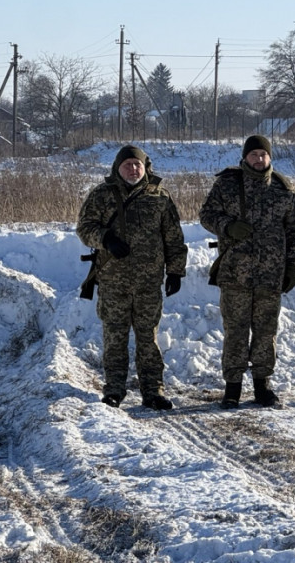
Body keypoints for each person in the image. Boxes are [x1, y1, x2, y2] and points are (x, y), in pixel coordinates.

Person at [77, 145, 188, 410]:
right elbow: (84, 227)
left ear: (145, 167)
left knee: (148, 338)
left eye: (137, 165)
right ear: (118, 167)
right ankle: (114, 389)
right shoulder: (102, 195)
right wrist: (106, 239)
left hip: (149, 283)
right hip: (113, 280)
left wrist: (175, 271)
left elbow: (174, 237)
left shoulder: (159, 196)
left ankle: (153, 391)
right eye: (127, 165)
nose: (133, 169)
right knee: (115, 337)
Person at [200, 135, 295, 409]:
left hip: (271, 275)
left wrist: (293, 265)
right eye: (254, 155)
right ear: (245, 157)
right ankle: (232, 388)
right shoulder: (227, 185)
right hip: (235, 273)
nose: (259, 159)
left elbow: (294, 231)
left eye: (263, 155)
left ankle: (262, 386)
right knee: (235, 330)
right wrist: (227, 225)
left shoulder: (284, 189)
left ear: (270, 158)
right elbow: (206, 214)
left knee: (266, 331)